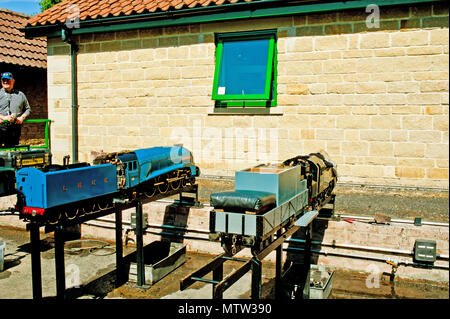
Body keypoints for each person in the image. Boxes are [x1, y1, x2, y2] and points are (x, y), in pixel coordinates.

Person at [0, 72, 31, 148]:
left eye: (8, 80)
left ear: (13, 81)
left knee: (12, 152)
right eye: (3, 80)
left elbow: (28, 109)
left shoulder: (20, 95)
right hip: (0, 127)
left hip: (14, 128)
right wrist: (3, 117)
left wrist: (22, 117)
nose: (5, 82)